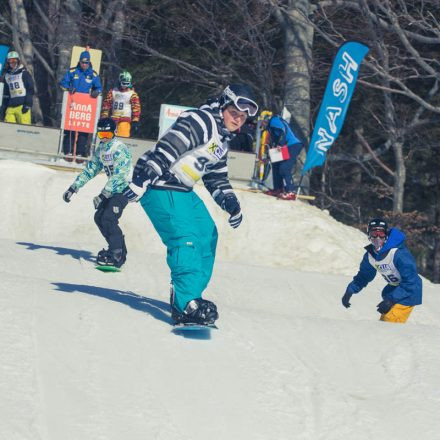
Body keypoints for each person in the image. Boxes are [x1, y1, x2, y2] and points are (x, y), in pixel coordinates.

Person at [123, 84, 259, 326]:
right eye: (234, 114)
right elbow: (168, 147)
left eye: (242, 117)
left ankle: (190, 295)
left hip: (184, 190)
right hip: (160, 184)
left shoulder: (222, 139)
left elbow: (216, 176)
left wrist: (231, 203)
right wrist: (142, 179)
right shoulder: (201, 121)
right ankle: (186, 303)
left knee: (207, 234)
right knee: (185, 238)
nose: (238, 120)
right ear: (222, 106)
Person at [62, 117, 132, 268]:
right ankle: (117, 249)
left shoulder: (120, 149)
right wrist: (73, 187)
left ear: (114, 133)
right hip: (112, 190)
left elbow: (119, 175)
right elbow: (91, 169)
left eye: (107, 135)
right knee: (99, 217)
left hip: (124, 189)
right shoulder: (102, 149)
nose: (105, 138)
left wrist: (103, 194)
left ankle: (117, 253)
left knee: (108, 217)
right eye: (102, 135)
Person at [342, 218, 422, 323]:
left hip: (409, 291)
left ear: (386, 235)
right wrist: (350, 290)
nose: (377, 238)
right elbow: (364, 276)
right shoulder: (371, 256)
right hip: (394, 289)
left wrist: (391, 300)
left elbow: (411, 281)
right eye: (374, 234)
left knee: (390, 321)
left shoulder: (398, 254)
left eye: (381, 234)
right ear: (369, 235)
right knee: (384, 321)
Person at [59, 50, 102, 161]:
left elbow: (99, 88)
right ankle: (67, 152)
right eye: (82, 63)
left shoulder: (93, 74)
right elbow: (63, 83)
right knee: (70, 129)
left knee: (83, 131)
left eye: (86, 63)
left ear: (89, 63)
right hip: (73, 105)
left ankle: (80, 153)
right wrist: (69, 88)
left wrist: (96, 92)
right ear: (79, 62)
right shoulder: (73, 71)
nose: (84, 65)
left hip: (85, 107)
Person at [260, 110, 303, 200]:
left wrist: (281, 143)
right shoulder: (270, 127)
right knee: (275, 164)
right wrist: (269, 157)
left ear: (266, 119)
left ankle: (291, 191)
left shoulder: (273, 120)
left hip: (292, 145)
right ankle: (278, 189)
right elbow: (274, 142)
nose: (262, 124)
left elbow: (282, 131)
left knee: (284, 168)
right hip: (285, 145)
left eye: (262, 121)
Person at [100, 70, 141, 138]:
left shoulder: (132, 94)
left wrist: (135, 120)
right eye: (123, 83)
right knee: (109, 137)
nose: (125, 86)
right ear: (119, 81)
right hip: (113, 119)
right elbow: (106, 104)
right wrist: (104, 116)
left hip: (125, 119)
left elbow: (136, 108)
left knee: (122, 138)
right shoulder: (113, 92)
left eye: (127, 83)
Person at [1, 50, 34, 125]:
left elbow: (30, 89)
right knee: (8, 128)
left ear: (18, 61)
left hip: (22, 105)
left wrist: (28, 104)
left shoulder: (24, 73)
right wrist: (4, 107)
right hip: (11, 106)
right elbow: (6, 93)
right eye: (10, 61)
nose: (12, 63)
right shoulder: (7, 76)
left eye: (14, 60)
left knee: (23, 128)